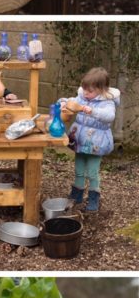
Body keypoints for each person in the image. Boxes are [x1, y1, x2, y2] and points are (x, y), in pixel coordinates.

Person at [62, 66, 119, 212]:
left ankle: (93, 197)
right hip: (80, 140)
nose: (86, 93)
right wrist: (64, 103)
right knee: (79, 170)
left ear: (101, 89)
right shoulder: (82, 96)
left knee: (92, 172)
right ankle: (77, 195)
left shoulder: (108, 102)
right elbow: (72, 101)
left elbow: (109, 116)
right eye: (84, 89)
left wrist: (91, 111)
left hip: (96, 143)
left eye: (90, 91)